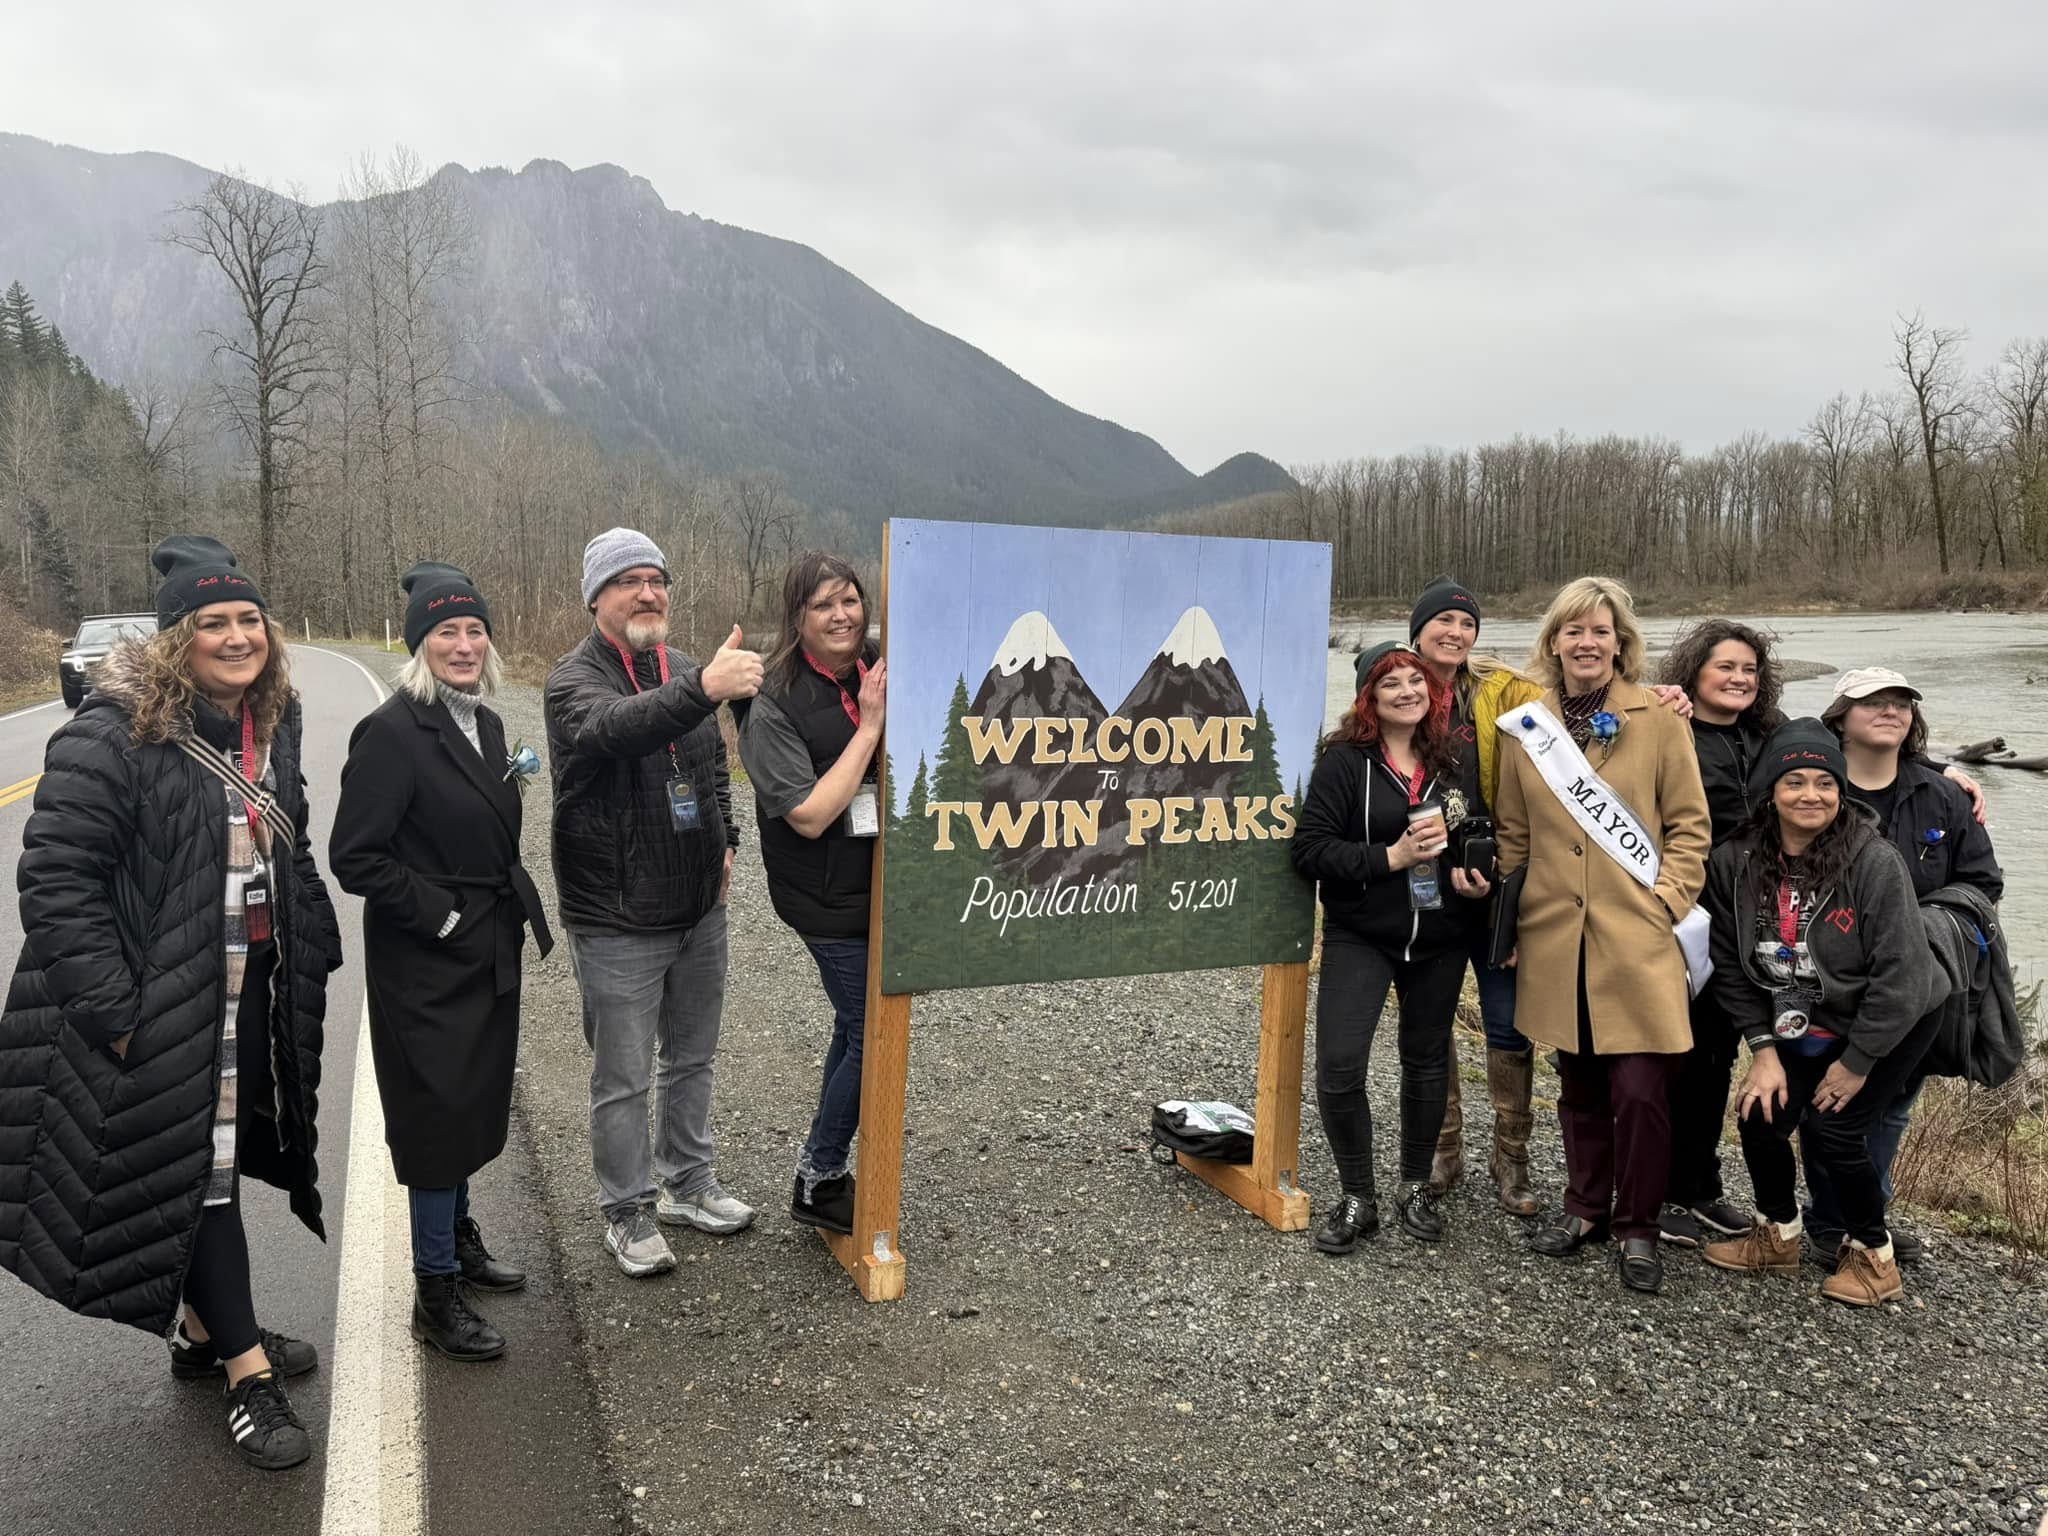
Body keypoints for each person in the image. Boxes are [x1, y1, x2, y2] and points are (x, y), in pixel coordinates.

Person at [0, 535, 343, 1470]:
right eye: (212, 623)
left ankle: (203, 1330)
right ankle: (245, 1372)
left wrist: (312, 938)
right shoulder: (111, 736)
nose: (237, 638)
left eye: (249, 620)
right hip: (157, 1007)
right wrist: (120, 1016)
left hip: (242, 990)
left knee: (207, 1164)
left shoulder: (271, 724)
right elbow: (56, 885)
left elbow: (288, 841)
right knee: (202, 1174)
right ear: (173, 641)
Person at [331, 563, 556, 1359]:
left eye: (473, 630)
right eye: (445, 632)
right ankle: (434, 1294)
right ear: (419, 645)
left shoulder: (488, 726)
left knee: (471, 1104)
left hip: (488, 948)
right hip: (427, 959)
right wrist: (445, 914)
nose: (463, 645)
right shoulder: (392, 732)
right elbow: (354, 856)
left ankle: (457, 1237)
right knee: (435, 1116)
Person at [546, 528, 763, 1278]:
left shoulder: (684, 668)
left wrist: (729, 835)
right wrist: (703, 689)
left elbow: (708, 770)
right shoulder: (574, 681)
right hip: (615, 917)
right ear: (597, 597)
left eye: (657, 580)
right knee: (623, 1075)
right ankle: (627, 1210)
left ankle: (688, 1183)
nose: (648, 593)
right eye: (629, 581)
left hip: (700, 908)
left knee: (693, 1057)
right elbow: (617, 728)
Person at [1494, 576, 1711, 1294]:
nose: (1587, 644)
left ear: (1621, 643)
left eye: (1601, 632)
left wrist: (1666, 902)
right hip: (1558, 938)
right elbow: (1513, 838)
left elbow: (1689, 826)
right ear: (1553, 642)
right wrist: (1516, 923)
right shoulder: (1529, 727)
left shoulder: (1658, 719)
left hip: (1639, 938)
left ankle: (1639, 1227)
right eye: (1573, 631)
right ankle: (1585, 1208)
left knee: (1642, 1091)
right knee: (1580, 1086)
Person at [1701, 720, 1949, 1305]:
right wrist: (1762, 1051)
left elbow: (1904, 977)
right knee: (1760, 1115)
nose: (1811, 795)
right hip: (1797, 1012)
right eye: (1794, 782)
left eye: (1825, 783)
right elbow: (1729, 967)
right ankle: (1777, 1235)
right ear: (1770, 794)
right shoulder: (1734, 862)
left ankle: (1874, 1257)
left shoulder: (1873, 861)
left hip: (1890, 1017)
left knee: (1834, 1130)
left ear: (1841, 793)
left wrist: (1859, 1062)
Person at [1292, 641, 1493, 1253]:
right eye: (1392, 684)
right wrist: (1390, 857)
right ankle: (1359, 1196)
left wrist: (1471, 871)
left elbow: (1474, 830)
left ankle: (1413, 1186)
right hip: (1363, 933)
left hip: (1441, 935)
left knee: (1427, 1060)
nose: (1408, 691)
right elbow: (1309, 851)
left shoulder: (1453, 758)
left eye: (1417, 681)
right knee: (1339, 1065)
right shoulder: (1345, 763)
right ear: (1369, 698)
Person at [1802, 666, 2003, 1261]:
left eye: (1901, 703)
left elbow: (1982, 882)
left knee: (1890, 1106)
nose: (1890, 711)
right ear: (1840, 715)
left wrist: (1929, 932)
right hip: (1827, 981)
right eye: (1873, 702)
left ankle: (1868, 1216)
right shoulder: (1812, 786)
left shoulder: (1941, 794)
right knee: (1824, 1101)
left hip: (1921, 986)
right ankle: (1829, 1223)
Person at [735, 552, 886, 1235]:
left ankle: (818, 1175)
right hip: (823, 899)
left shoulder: (872, 668)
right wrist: (872, 729)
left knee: (854, 1025)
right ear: (798, 617)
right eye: (824, 604)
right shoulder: (773, 705)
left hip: (878, 887)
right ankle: (819, 1173)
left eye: (850, 600)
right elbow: (811, 813)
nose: (841, 615)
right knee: (875, 1031)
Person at [1651, 619, 1787, 1247]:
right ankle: (1651, 1189)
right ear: (1693, 672)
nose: (1738, 679)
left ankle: (1696, 1187)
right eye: (1725, 667)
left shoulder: (1774, 739)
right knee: (1667, 1056)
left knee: (1714, 1057)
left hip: (1748, 923)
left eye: (1749, 670)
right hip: (1680, 918)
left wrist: (1949, 774)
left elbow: (1855, 756)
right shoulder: (1665, 726)